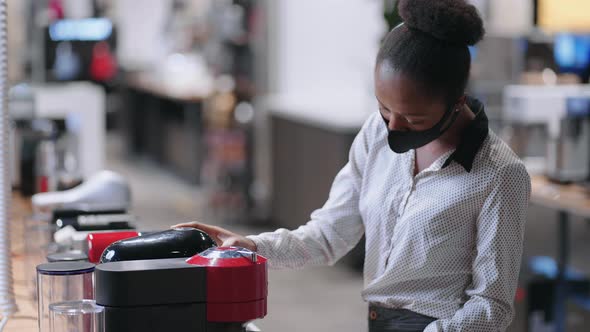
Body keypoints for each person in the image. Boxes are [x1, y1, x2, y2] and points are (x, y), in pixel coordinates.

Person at [173, 0, 531, 331]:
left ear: (457, 100)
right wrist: (252, 246)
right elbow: (328, 235)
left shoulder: (499, 174)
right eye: (385, 108)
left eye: (413, 118)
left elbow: (492, 305)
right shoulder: (377, 134)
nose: (393, 127)